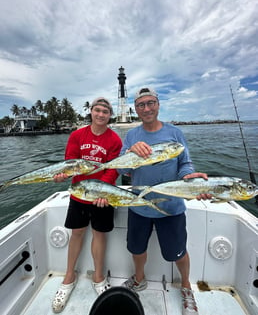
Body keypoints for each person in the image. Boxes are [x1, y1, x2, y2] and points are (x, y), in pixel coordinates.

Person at [119, 87, 211, 315]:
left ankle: (186, 286)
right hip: (139, 205)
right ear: (136, 109)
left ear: (158, 105)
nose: (147, 108)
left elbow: (185, 164)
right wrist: (130, 153)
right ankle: (139, 279)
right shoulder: (131, 136)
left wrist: (190, 178)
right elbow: (122, 167)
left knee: (176, 252)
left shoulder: (175, 133)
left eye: (151, 103)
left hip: (171, 206)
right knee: (136, 248)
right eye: (141, 105)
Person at [52, 97, 122, 313]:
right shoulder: (77, 135)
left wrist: (103, 190)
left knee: (100, 234)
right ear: (91, 112)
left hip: (103, 195)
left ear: (110, 115)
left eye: (105, 112)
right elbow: (71, 162)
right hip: (79, 194)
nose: (101, 114)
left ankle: (98, 277)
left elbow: (114, 168)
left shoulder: (115, 140)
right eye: (97, 110)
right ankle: (69, 277)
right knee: (77, 233)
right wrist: (62, 175)